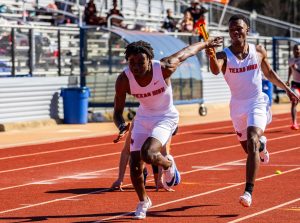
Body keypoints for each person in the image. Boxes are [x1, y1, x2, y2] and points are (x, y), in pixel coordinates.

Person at [113, 38, 222, 219]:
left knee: (148, 153)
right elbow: (117, 112)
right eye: (132, 62)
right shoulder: (124, 79)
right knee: (134, 165)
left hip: (166, 117)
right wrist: (122, 126)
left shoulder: (163, 68)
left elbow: (186, 52)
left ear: (150, 60)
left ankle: (169, 164)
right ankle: (143, 201)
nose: (136, 67)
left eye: (141, 62)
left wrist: (206, 43)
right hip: (143, 117)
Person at [206, 14, 299, 207]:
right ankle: (262, 147)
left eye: (239, 28)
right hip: (237, 107)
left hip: (257, 102)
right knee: (249, 148)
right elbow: (215, 70)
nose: (235, 32)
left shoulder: (258, 51)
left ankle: (248, 191)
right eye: (231, 30)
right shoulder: (224, 55)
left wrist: (288, 89)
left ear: (247, 30)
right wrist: (211, 54)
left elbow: (269, 73)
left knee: (252, 140)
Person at [111, 120, 177, 192]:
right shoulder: (136, 122)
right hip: (146, 151)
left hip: (156, 153)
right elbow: (126, 151)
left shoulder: (163, 123)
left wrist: (160, 179)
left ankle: (169, 166)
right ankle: (143, 172)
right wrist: (120, 179)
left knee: (170, 182)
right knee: (133, 157)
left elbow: (163, 152)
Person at [286, 44, 300, 130]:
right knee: (294, 102)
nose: (297, 51)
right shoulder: (290, 60)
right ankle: (294, 123)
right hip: (295, 83)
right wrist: (288, 79)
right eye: (295, 49)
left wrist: (297, 68)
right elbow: (290, 69)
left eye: (298, 49)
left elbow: (296, 69)